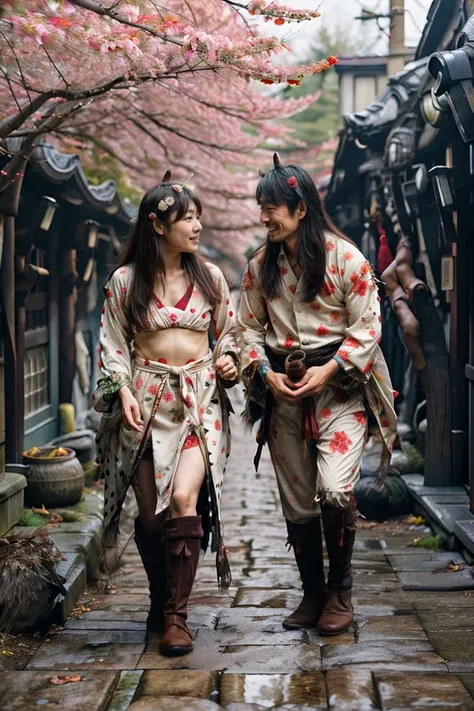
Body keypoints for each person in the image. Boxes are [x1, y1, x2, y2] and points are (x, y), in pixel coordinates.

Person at [237, 155, 397, 636]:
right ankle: (312, 593)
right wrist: (264, 373)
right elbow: (244, 331)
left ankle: (341, 590)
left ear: (301, 208)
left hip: (342, 389)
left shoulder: (348, 259)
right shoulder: (259, 267)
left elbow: (368, 327)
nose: (265, 217)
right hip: (283, 392)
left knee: (333, 488)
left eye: (273, 208)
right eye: (262, 207)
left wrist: (330, 369)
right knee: (297, 501)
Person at [93, 172, 239, 656]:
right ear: (157, 225)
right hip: (147, 402)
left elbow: (232, 337)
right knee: (154, 518)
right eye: (187, 218)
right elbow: (113, 346)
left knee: (182, 499)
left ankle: (177, 618)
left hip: (197, 402)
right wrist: (124, 392)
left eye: (198, 216)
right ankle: (161, 599)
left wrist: (228, 361)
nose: (197, 226)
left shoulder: (211, 277)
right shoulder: (125, 281)